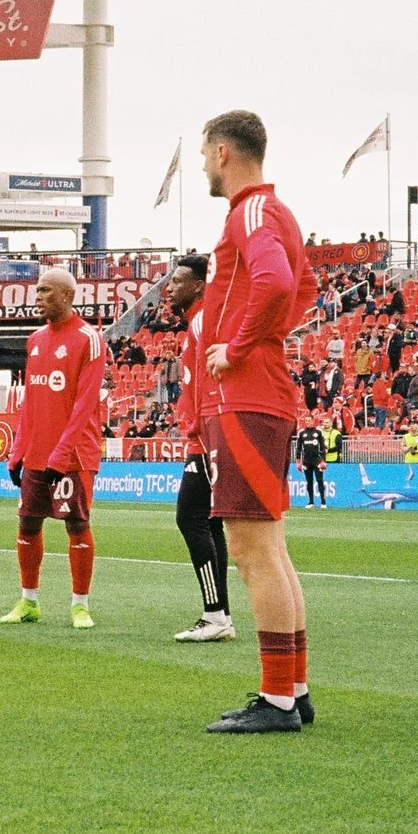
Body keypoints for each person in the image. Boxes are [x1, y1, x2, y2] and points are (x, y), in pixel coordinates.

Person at [195, 110, 319, 736]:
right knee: (269, 548)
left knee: (249, 550)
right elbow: (305, 287)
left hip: (245, 395)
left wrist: (239, 346)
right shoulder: (278, 214)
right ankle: (292, 690)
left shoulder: (250, 212)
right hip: (260, 392)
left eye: (203, 154)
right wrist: (262, 338)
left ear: (222, 152)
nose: (202, 165)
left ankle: (276, 702)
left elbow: (274, 281)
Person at [0, 267, 107, 629]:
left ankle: (80, 605)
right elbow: (31, 402)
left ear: (67, 296)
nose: (38, 296)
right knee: (27, 522)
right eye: (37, 290)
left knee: (77, 523)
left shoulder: (88, 340)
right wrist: (18, 451)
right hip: (37, 453)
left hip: (73, 455)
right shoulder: (35, 340)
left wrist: (61, 454)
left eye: (45, 290)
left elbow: (85, 404)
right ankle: (29, 601)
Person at [164, 254, 232, 643]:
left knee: (190, 518)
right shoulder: (196, 322)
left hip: (206, 439)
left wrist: (206, 437)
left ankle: (214, 614)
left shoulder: (205, 319)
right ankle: (221, 614)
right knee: (209, 523)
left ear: (198, 285)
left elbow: (210, 382)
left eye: (177, 280)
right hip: (206, 436)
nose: (170, 287)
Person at [294, 418, 329, 510]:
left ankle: (323, 502)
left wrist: (323, 460)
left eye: (309, 421)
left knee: (319, 480)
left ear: (313, 421)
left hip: (316, 460)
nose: (308, 422)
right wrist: (298, 461)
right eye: (306, 421)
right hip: (306, 461)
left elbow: (322, 447)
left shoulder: (318, 432)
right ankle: (311, 502)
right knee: (309, 481)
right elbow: (299, 448)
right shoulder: (302, 433)